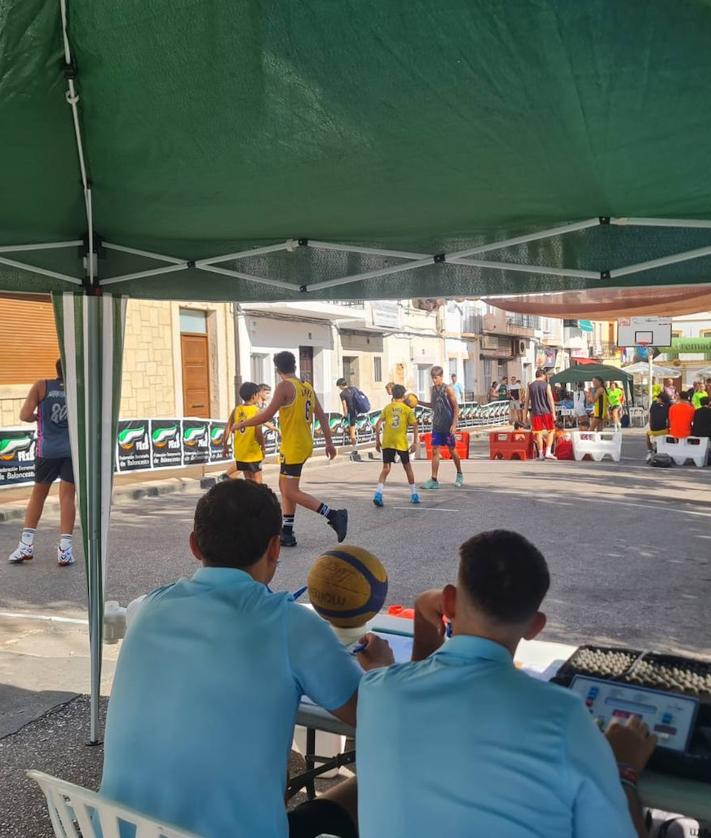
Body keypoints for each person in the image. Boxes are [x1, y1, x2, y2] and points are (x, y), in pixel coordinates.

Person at [100, 480, 393, 838]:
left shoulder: (148, 608)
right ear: (274, 548)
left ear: (195, 545)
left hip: (115, 830)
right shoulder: (292, 625)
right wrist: (380, 668)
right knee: (373, 783)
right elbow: (379, 718)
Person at [357, 530, 656, 838]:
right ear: (535, 627)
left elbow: (418, 679)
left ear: (448, 602)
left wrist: (422, 609)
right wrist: (624, 771)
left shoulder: (378, 690)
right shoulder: (563, 717)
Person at [237, 351, 347, 546]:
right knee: (284, 487)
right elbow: (321, 415)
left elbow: (266, 415)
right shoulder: (307, 387)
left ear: (278, 369)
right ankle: (287, 532)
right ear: (294, 366)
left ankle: (334, 515)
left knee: (291, 491)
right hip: (303, 443)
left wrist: (240, 425)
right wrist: (329, 442)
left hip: (294, 446)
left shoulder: (284, 386)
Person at [8, 359, 75, 566]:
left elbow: (25, 414)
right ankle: (65, 550)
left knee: (38, 495)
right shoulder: (78, 390)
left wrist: (39, 417)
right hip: (71, 450)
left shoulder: (42, 386)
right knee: (67, 497)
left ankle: (26, 545)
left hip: (47, 450)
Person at [373, 384, 420, 507]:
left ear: (392, 395)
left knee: (386, 469)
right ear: (404, 396)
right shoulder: (407, 409)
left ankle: (378, 493)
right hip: (400, 441)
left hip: (388, 441)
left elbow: (378, 424)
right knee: (407, 467)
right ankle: (414, 494)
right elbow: (415, 425)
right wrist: (415, 442)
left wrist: (377, 440)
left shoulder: (388, 408)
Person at [419, 366, 463, 489]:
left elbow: (455, 407)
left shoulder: (448, 389)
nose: (434, 380)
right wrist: (418, 402)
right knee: (434, 451)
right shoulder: (433, 390)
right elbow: (432, 405)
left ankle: (459, 474)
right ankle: (434, 480)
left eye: (436, 378)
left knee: (452, 450)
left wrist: (454, 424)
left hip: (448, 425)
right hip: (437, 425)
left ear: (441, 377)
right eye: (432, 378)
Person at [221, 382, 265, 483]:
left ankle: (249, 498)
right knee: (258, 481)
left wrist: (225, 446)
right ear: (254, 396)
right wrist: (262, 447)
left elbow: (228, 427)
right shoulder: (257, 411)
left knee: (248, 480)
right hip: (252, 451)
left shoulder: (236, 410)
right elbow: (258, 433)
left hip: (241, 452)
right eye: (258, 394)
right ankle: (258, 498)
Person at [523, 368, 557, 460]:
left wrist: (524, 416)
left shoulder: (530, 386)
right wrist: (553, 413)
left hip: (536, 413)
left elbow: (526, 402)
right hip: (546, 412)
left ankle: (541, 454)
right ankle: (548, 452)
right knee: (551, 431)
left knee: (538, 433)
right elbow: (551, 400)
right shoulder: (546, 385)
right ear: (544, 375)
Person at [336, 377, 361, 461]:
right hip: (359, 412)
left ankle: (355, 449)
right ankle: (355, 447)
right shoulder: (353, 388)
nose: (339, 388)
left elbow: (344, 405)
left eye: (339, 386)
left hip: (351, 413)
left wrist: (345, 415)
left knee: (352, 432)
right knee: (355, 430)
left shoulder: (342, 394)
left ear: (341, 385)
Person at [646, 390, 671, 461]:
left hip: (654, 430)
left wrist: (651, 427)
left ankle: (650, 451)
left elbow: (650, 418)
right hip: (665, 430)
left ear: (661, 399)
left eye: (658, 398)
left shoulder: (653, 404)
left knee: (647, 434)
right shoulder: (669, 405)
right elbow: (669, 419)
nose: (657, 399)